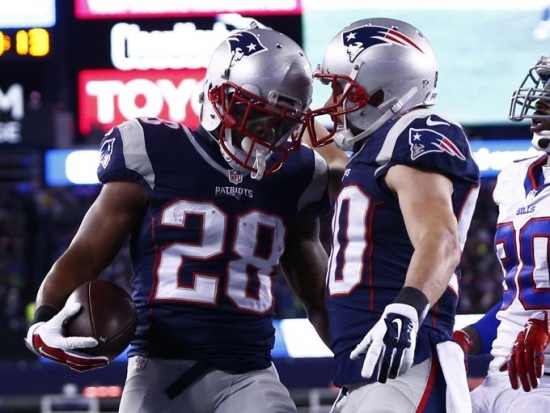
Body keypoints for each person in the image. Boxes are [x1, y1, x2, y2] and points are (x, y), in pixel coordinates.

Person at [24, 25, 332, 413]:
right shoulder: (155, 149)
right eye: (256, 115)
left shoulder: (299, 175)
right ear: (220, 97)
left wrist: (357, 363)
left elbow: (318, 297)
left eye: (282, 122)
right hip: (156, 369)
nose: (267, 133)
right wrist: (45, 319)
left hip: (250, 373)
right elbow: (84, 255)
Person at [304, 17, 481, 412]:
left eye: (342, 89)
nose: (334, 102)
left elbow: (441, 237)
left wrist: (406, 309)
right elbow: (329, 156)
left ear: (384, 91)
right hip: (368, 369)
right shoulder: (369, 155)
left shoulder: (417, 129)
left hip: (406, 362)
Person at [453, 54, 550, 413]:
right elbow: (521, 302)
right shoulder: (514, 179)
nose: (540, 102)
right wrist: (469, 337)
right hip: (500, 376)